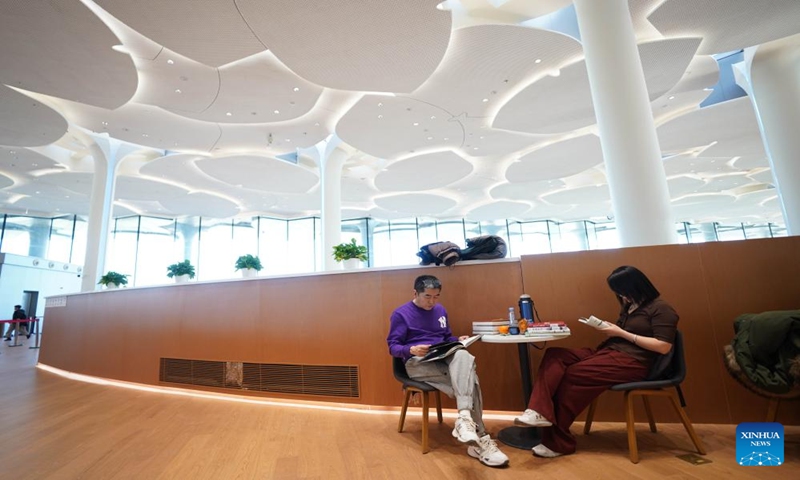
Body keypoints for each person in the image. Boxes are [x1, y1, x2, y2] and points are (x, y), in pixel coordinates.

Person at [514, 265, 679, 458]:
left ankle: (558, 444)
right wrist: (610, 329)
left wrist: (621, 333)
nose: (621, 295)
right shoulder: (631, 306)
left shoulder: (662, 309)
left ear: (636, 286)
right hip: (609, 352)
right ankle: (538, 411)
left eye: (622, 290)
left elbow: (663, 346)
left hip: (634, 362)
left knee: (571, 375)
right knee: (554, 355)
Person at [387, 275, 509, 467]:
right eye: (427, 296)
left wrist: (456, 340)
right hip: (417, 362)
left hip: (442, 358)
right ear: (415, 293)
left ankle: (465, 420)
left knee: (462, 354)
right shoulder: (400, 314)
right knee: (471, 380)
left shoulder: (440, 310)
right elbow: (393, 346)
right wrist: (411, 349)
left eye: (436, 296)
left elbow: (445, 337)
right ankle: (480, 438)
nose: (432, 302)